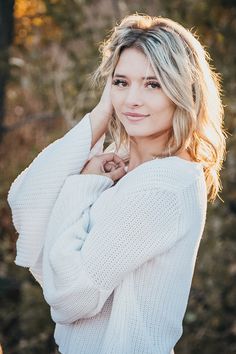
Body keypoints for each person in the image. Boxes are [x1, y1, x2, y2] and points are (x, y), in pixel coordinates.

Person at [7, 13, 226, 354]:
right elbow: (26, 199)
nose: (132, 100)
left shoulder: (164, 185)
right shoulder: (121, 161)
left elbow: (70, 298)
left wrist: (83, 187)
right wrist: (100, 115)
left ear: (183, 90)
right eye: (121, 82)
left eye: (152, 84)